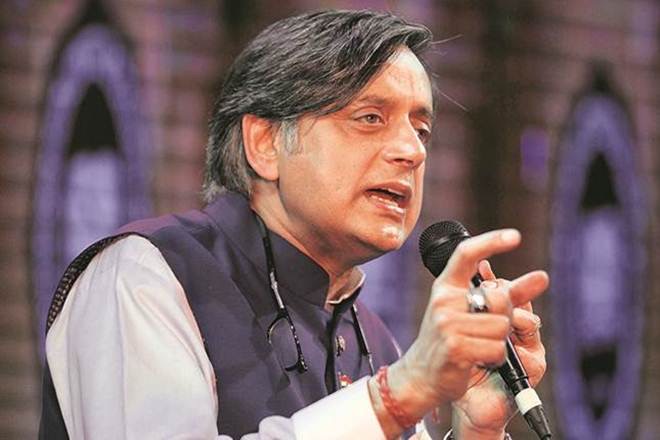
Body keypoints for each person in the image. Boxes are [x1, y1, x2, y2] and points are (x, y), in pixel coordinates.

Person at [39, 9, 549, 439]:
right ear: (265, 144)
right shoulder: (144, 276)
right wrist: (398, 396)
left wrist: (476, 429)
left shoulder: (374, 339)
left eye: (421, 129)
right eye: (370, 118)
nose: (411, 151)